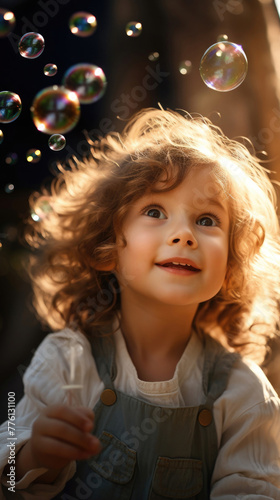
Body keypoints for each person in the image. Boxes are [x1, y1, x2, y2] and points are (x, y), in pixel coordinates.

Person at [1, 107, 280, 499]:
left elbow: (253, 490)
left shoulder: (244, 393)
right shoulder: (67, 361)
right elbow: (7, 481)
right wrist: (33, 457)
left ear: (231, 265)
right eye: (154, 212)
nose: (184, 234)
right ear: (107, 248)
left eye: (207, 220)